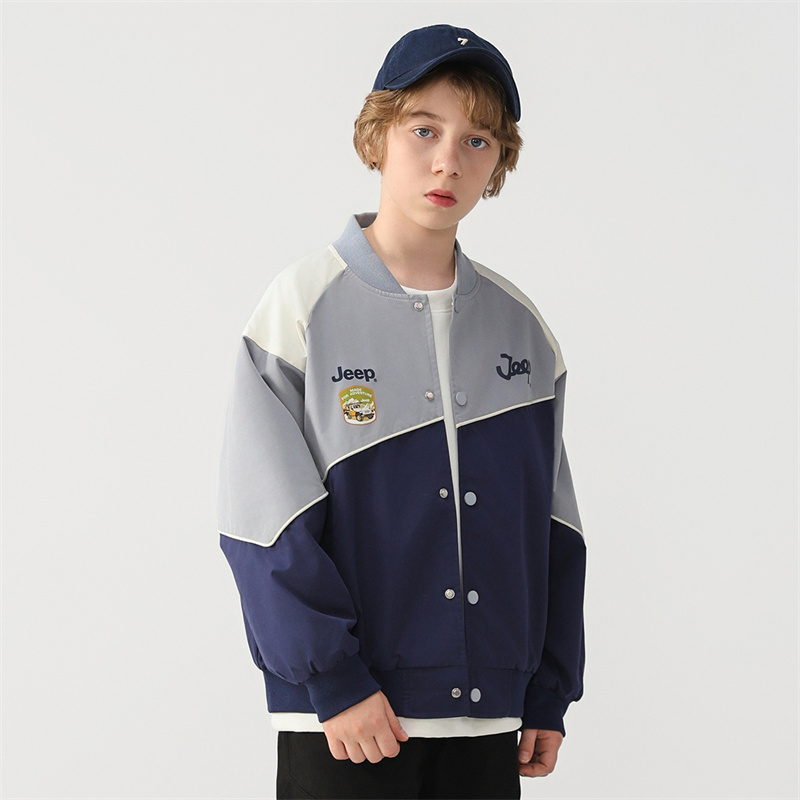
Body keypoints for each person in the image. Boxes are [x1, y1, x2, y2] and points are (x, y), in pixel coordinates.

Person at [218, 23, 586, 800]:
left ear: (498, 163)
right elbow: (261, 519)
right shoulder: (300, 306)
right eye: (424, 130)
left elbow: (554, 525)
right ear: (376, 134)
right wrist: (334, 678)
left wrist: (547, 690)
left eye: (478, 140)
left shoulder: (524, 330)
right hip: (347, 723)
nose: (448, 160)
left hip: (488, 724)